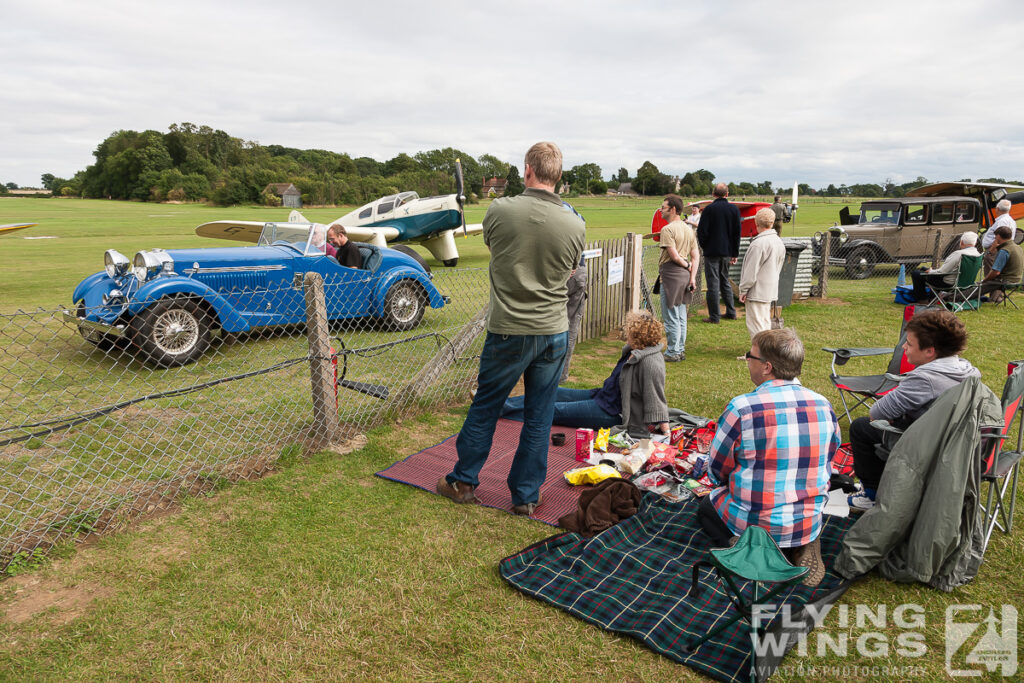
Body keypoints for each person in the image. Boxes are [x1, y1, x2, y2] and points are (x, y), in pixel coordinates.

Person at [437, 142, 585, 516]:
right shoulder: (574, 222)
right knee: (540, 414)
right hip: (553, 330)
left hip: (509, 329)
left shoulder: (500, 210)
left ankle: (464, 481)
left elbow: (494, 245)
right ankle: (526, 496)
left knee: (486, 405)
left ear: (527, 171)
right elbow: (571, 270)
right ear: (558, 175)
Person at [698, 328, 839, 586]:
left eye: (750, 356)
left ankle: (748, 549)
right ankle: (804, 542)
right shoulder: (823, 404)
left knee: (707, 508)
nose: (747, 362)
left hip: (754, 522)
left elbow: (717, 470)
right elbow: (830, 456)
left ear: (767, 367)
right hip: (807, 518)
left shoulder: (742, 408)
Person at [847, 310, 980, 512]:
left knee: (861, 427)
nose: (904, 347)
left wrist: (894, 416)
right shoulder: (968, 369)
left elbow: (877, 413)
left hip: (930, 451)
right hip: (963, 446)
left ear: (929, 351)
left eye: (909, 343)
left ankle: (872, 495)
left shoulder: (924, 379)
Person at [502, 311, 669, 435]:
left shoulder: (651, 362)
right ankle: (501, 406)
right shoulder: (634, 351)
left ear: (639, 337)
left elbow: (656, 397)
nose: (626, 336)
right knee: (552, 391)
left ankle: (502, 413)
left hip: (613, 413)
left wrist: (666, 431)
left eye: (630, 333)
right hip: (603, 397)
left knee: (553, 409)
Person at [657, 194, 699, 361]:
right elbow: (695, 256)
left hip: (671, 276)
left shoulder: (667, 230)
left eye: (663, 207)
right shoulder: (688, 229)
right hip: (684, 276)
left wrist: (687, 266)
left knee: (671, 315)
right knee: (681, 315)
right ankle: (679, 350)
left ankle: (673, 352)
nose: (661, 211)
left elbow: (674, 256)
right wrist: (692, 277)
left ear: (673, 209)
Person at [696, 183, 741, 323]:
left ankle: (714, 316)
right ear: (727, 194)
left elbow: (701, 232)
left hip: (712, 252)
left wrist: (705, 246)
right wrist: (734, 253)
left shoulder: (709, 210)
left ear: (713, 194)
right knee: (725, 281)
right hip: (727, 251)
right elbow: (736, 234)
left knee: (713, 284)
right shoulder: (734, 209)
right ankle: (731, 312)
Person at [738, 208, 785, 340]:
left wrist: (743, 289)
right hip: (770, 289)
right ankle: (765, 353)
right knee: (764, 323)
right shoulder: (778, 241)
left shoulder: (758, 244)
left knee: (756, 326)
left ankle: (759, 356)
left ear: (756, 222)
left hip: (757, 290)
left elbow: (751, 271)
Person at [909, 231, 979, 302]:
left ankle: (922, 300)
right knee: (923, 269)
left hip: (948, 284)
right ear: (975, 243)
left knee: (916, 274)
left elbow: (942, 272)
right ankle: (932, 298)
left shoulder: (958, 254)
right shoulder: (978, 255)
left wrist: (931, 271)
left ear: (962, 242)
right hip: (967, 284)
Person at [979, 225, 1023, 303]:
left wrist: (984, 280)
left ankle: (954, 297)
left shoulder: (1004, 251)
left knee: (978, 286)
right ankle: (996, 297)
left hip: (1005, 281)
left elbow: (996, 272)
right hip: (1016, 280)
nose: (995, 239)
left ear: (998, 236)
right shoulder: (1018, 247)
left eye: (995, 237)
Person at [981, 199, 1017, 272]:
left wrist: (990, 253)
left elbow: (998, 239)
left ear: (997, 209)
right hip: (1000, 250)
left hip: (995, 251)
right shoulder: (1010, 220)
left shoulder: (1002, 221)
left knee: (991, 275)